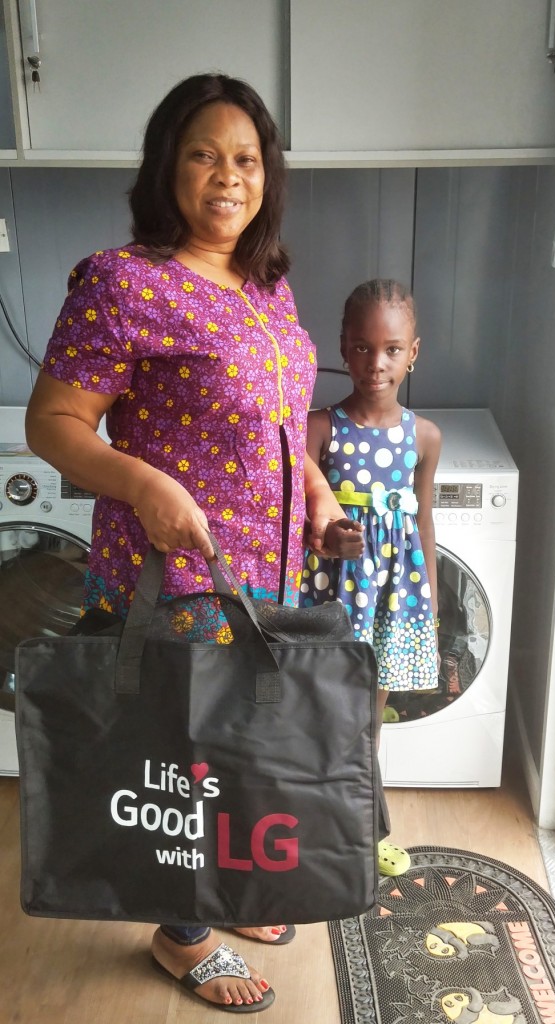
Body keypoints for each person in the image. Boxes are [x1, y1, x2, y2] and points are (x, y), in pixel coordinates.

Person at [25, 72, 357, 1015]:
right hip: (172, 578)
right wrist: (147, 484)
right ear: (167, 167)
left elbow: (286, 430)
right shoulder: (121, 282)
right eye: (203, 154)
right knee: (177, 757)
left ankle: (232, 882)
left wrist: (326, 505)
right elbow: (53, 424)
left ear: (268, 176)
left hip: (270, 573)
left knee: (240, 748)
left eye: (246, 158)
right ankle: (181, 934)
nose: (227, 176)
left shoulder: (265, 286)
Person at [301, 278, 441, 876]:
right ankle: (303, 829)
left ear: (413, 352)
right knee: (315, 712)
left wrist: (428, 605)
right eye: (361, 348)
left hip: (391, 599)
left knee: (366, 721)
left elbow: (423, 521)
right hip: (331, 597)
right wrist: (331, 536)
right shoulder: (319, 430)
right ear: (342, 347)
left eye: (390, 349)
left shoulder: (424, 437)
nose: (375, 363)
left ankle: (362, 830)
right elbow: (294, 517)